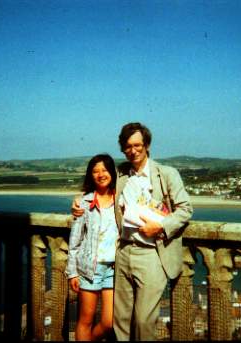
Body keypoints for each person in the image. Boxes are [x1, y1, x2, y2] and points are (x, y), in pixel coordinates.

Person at [72, 122, 193, 341]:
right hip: (123, 253)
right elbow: (101, 185)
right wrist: (80, 200)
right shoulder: (122, 174)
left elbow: (185, 210)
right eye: (128, 146)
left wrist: (162, 226)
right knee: (121, 321)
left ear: (146, 145)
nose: (133, 150)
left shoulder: (166, 174)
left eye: (137, 145)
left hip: (151, 254)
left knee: (144, 321)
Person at [65, 154, 118, 341]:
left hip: (114, 269)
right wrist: (72, 272)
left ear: (112, 172)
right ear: (90, 175)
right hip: (89, 268)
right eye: (95, 171)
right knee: (85, 320)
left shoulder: (121, 200)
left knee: (109, 322)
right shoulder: (84, 203)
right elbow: (75, 240)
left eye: (104, 170)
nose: (100, 174)